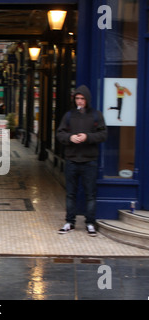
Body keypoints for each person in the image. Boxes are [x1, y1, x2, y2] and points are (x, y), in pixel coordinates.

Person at [56, 85, 107, 237]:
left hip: (89, 160)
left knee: (90, 194)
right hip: (72, 159)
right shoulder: (69, 116)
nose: (80, 101)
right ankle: (69, 222)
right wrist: (70, 138)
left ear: (87, 99)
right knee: (70, 193)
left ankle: (90, 223)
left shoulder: (97, 115)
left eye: (82, 98)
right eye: (77, 98)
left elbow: (103, 134)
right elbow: (59, 134)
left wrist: (88, 137)